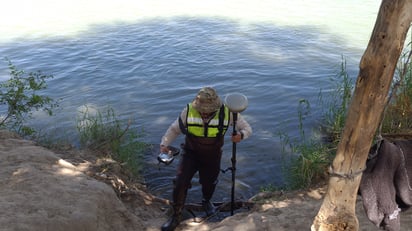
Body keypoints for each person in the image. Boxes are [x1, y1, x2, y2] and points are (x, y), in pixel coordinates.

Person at [159, 86, 252, 231]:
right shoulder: (188, 111)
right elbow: (174, 129)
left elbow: (247, 128)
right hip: (190, 153)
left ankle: (206, 201)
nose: (204, 113)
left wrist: (241, 135)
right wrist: (164, 144)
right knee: (180, 182)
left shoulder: (227, 112)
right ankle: (176, 216)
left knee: (209, 183)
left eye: (208, 110)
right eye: (202, 110)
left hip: (212, 155)